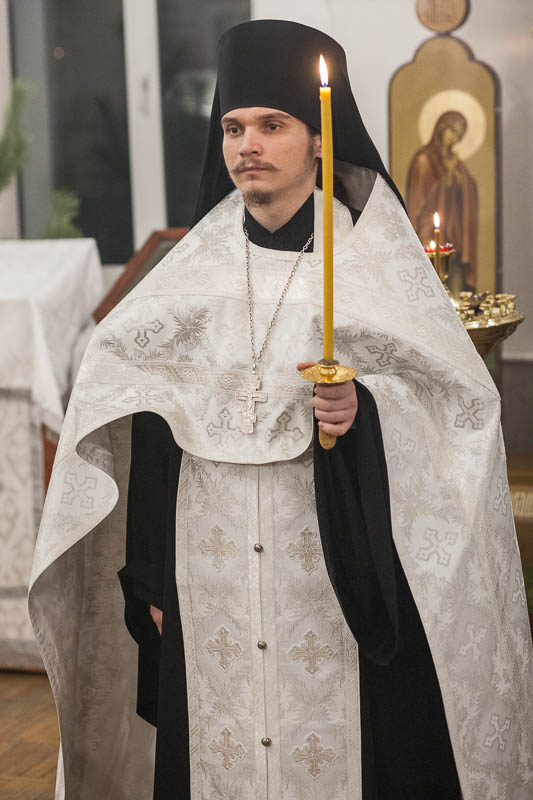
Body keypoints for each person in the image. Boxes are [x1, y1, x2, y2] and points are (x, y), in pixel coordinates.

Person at [29, 20, 531, 800]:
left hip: (335, 570)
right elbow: (150, 429)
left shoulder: (372, 266)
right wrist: (151, 581)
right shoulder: (187, 278)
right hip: (209, 577)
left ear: (320, 139)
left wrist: (362, 403)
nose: (247, 146)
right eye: (233, 128)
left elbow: (454, 413)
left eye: (271, 125)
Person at [406, 110, 478, 291]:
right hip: (429, 234)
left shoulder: (456, 163)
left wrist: (461, 180)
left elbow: (470, 188)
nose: (454, 138)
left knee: (456, 287)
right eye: (451, 131)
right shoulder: (424, 160)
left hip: (454, 237)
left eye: (459, 135)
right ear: (441, 128)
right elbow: (418, 201)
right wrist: (443, 183)